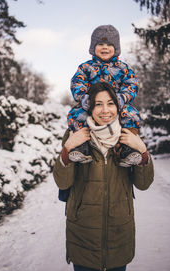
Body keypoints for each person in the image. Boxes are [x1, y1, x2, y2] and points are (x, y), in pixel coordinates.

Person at [53, 82, 154, 271]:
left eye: (110, 103)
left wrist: (142, 151)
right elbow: (62, 182)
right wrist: (68, 149)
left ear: (119, 106)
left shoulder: (129, 136)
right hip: (83, 234)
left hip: (119, 232)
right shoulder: (75, 133)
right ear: (90, 107)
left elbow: (143, 184)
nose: (105, 110)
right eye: (98, 104)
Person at [67, 24, 141, 167]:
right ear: (93, 47)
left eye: (109, 44)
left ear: (116, 48)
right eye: (100, 44)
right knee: (76, 115)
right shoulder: (86, 67)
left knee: (132, 115)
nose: (105, 47)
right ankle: (82, 147)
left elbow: (132, 84)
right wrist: (84, 98)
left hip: (117, 105)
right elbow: (77, 83)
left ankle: (128, 149)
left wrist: (123, 98)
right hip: (92, 105)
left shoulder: (123, 68)